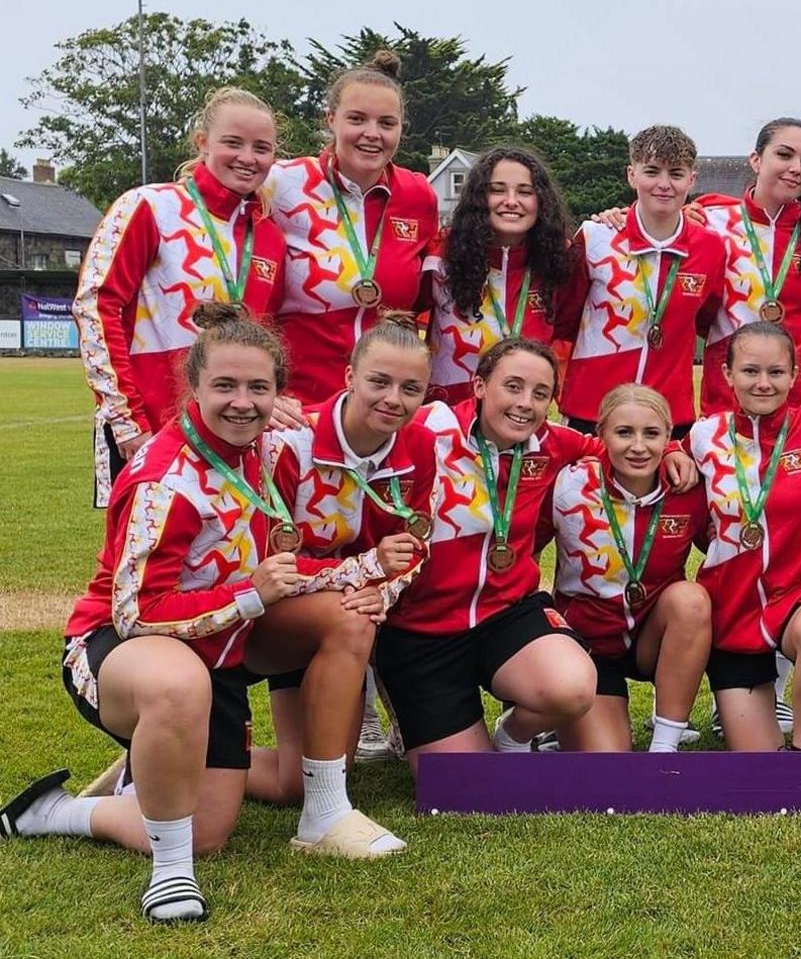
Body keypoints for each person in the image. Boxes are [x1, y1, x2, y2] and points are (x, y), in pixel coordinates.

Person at [2, 304, 404, 925]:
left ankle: (319, 809)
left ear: (279, 392)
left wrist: (367, 571)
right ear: (193, 386)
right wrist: (250, 596)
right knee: (180, 701)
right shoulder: (165, 478)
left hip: (218, 644)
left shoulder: (267, 451)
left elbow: (285, 570)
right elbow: (136, 611)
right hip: (121, 645)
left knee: (213, 825)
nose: (242, 402)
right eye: (225, 386)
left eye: (259, 387)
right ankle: (148, 863)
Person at [373, 337, 604, 762]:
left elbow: (620, 450)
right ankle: (407, 719)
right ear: (479, 386)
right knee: (459, 786)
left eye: (541, 394)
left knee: (571, 687)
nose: (525, 404)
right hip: (422, 631)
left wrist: (672, 455)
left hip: (506, 612)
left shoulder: (552, 442)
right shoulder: (429, 427)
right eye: (512, 386)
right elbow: (349, 425)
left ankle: (511, 738)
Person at [249, 312, 437, 802]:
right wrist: (368, 572)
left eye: (411, 388)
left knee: (294, 782)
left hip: (353, 609)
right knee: (349, 618)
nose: (394, 399)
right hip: (279, 612)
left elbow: (414, 541)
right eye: (379, 381)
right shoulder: (289, 444)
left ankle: (199, 754)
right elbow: (273, 561)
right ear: (349, 376)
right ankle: (327, 813)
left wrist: (383, 589)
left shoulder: (420, 444)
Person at [73, 87, 286, 506]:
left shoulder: (269, 237)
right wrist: (127, 421)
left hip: (236, 432)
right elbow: (96, 306)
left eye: (261, 148)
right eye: (233, 143)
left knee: (230, 559)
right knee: (143, 562)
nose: (248, 157)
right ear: (203, 142)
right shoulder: (149, 207)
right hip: (152, 425)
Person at [685, 323, 801, 750]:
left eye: (776, 372)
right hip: (730, 606)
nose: (763, 383)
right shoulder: (702, 437)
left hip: (799, 588)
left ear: (795, 374)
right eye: (749, 371)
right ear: (726, 374)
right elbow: (689, 520)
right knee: (756, 755)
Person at [264, 50, 439, 405]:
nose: (372, 134)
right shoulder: (281, 184)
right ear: (331, 119)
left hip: (380, 409)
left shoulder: (418, 195)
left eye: (387, 124)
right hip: (298, 405)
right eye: (357, 119)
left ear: (401, 129)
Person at [547, 384, 712, 752]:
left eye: (651, 433)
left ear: (670, 437)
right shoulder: (570, 484)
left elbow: (727, 547)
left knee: (691, 600)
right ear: (601, 433)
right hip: (585, 648)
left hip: (650, 640)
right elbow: (520, 549)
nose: (638, 446)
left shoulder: (687, 489)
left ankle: (664, 747)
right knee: (607, 760)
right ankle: (545, 714)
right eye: (624, 432)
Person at [560, 125, 727, 434]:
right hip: (591, 409)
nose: (664, 184)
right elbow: (566, 318)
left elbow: (706, 317)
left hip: (668, 415)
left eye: (676, 174)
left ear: (691, 180)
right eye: (652, 171)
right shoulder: (596, 236)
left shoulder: (711, 247)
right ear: (631, 174)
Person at [690, 118, 801, 413]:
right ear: (756, 160)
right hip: (728, 400)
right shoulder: (710, 221)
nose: (796, 168)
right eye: (784, 155)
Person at [426, 145, 579, 405]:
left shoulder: (561, 261)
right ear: (479, 199)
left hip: (523, 419)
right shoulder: (441, 255)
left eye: (525, 192)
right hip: (448, 419)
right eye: (497, 190)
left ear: (540, 201)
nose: (511, 201)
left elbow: (569, 334)